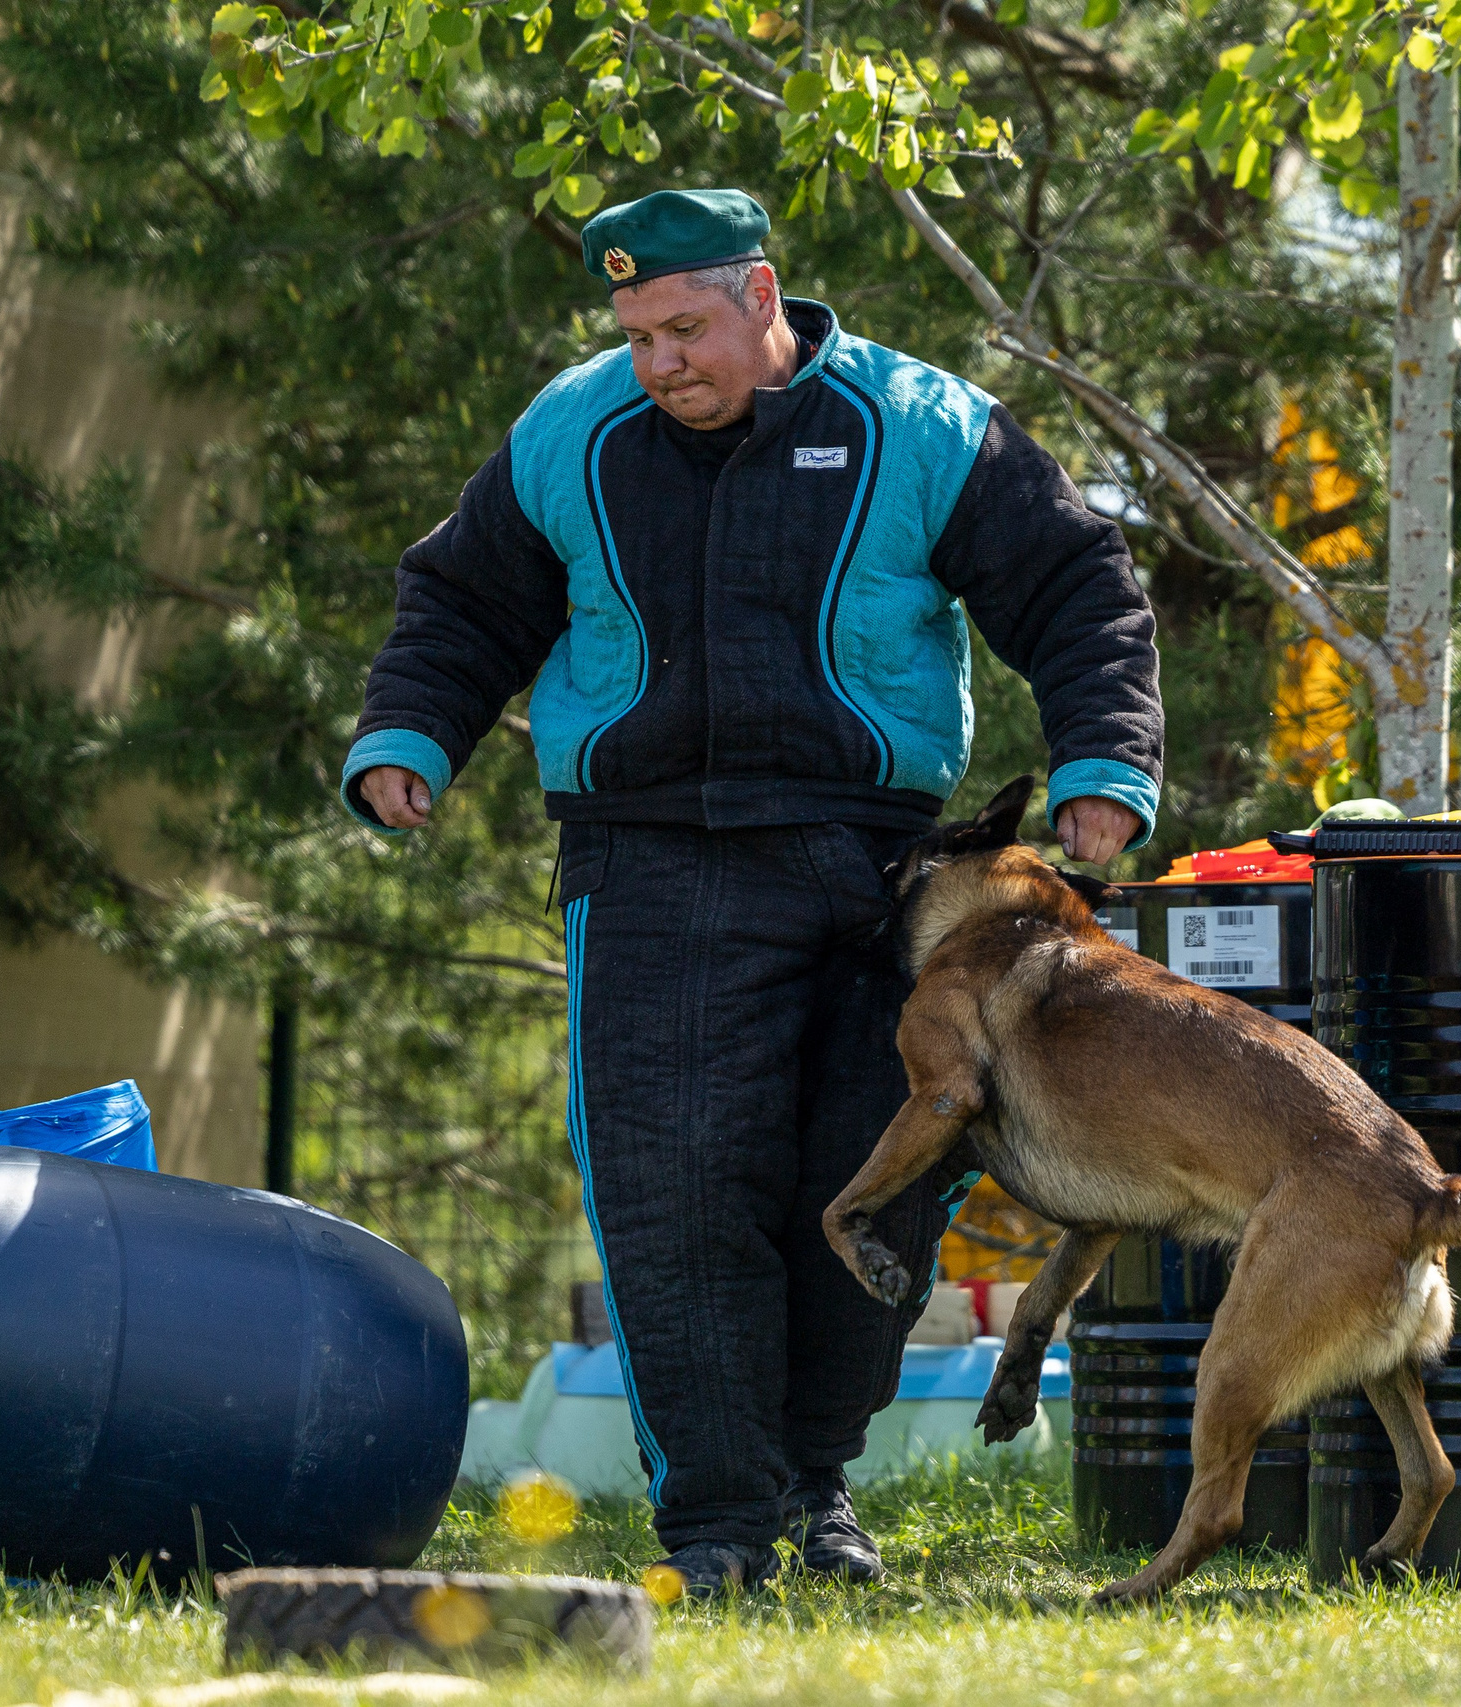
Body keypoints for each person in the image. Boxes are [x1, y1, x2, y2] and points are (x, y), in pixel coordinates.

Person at [339, 188, 1163, 1596]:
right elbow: (466, 600)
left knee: (875, 1179)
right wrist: (409, 731)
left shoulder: (922, 421)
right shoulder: (571, 433)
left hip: (878, 869)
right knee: (676, 1191)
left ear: (762, 294)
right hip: (646, 857)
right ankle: (719, 1522)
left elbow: (1074, 582)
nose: (659, 362)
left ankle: (814, 1487)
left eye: (685, 327)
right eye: (636, 333)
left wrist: (1101, 759)